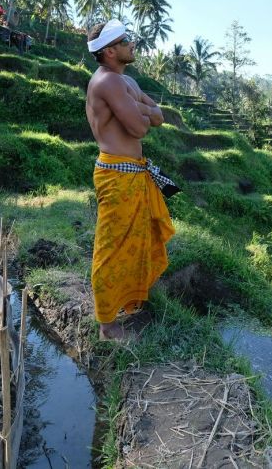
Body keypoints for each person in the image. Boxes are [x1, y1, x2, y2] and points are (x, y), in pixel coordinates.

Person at [85, 19, 174, 342]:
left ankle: (126, 303)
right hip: (116, 173)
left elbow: (159, 117)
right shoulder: (107, 83)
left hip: (135, 172)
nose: (131, 44)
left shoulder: (126, 82)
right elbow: (139, 128)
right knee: (110, 247)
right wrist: (141, 110)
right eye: (125, 41)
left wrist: (138, 107)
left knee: (134, 243)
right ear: (110, 51)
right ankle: (107, 326)